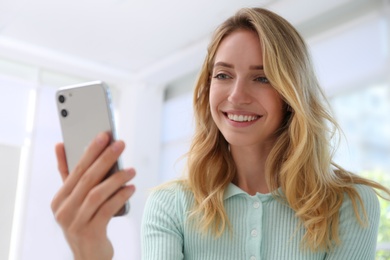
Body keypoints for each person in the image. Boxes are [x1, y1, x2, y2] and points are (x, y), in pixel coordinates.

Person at [51, 7, 390, 260]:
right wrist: (92, 252)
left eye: (262, 78)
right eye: (223, 75)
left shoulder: (350, 204)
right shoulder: (170, 207)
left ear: (291, 94)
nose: (236, 95)